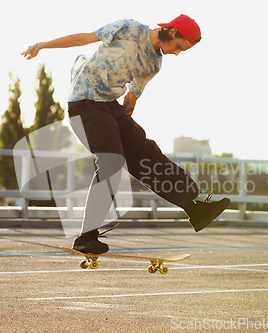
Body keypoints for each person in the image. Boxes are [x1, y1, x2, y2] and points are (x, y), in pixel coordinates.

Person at [22, 14, 230, 254]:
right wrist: (40, 46)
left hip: (111, 108)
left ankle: (194, 208)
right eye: (179, 47)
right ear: (172, 32)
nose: (176, 53)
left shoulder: (155, 64)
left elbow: (131, 98)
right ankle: (86, 237)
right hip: (84, 103)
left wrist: (127, 135)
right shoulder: (128, 28)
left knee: (146, 152)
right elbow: (82, 39)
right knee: (112, 161)